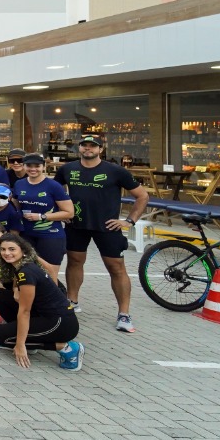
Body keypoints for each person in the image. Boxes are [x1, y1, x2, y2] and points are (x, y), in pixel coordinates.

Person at [56, 134, 148, 331]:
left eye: (92, 146)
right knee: (74, 262)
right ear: (79, 148)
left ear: (100, 149)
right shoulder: (67, 169)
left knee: (116, 268)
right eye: (84, 145)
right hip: (76, 225)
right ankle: (72, 302)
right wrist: (61, 213)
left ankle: (124, 314)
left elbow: (142, 196)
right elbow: (55, 192)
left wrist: (129, 221)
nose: (88, 148)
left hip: (108, 227)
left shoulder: (115, 171)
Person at [0, 234, 83, 370]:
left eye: (12, 249)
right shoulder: (23, 266)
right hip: (46, 315)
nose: (7, 253)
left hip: (61, 323)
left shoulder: (26, 273)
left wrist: (20, 344)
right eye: (3, 249)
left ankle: (67, 348)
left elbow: (24, 311)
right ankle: (30, 338)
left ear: (23, 250)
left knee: (1, 337)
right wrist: (16, 289)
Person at [13, 152, 73, 279]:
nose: (33, 169)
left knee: (50, 274)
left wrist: (42, 217)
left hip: (50, 235)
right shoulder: (19, 184)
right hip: (26, 235)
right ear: (24, 166)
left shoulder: (53, 186)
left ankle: (54, 298)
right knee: (26, 271)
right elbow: (16, 207)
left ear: (44, 167)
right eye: (29, 165)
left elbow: (69, 212)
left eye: (37, 166)